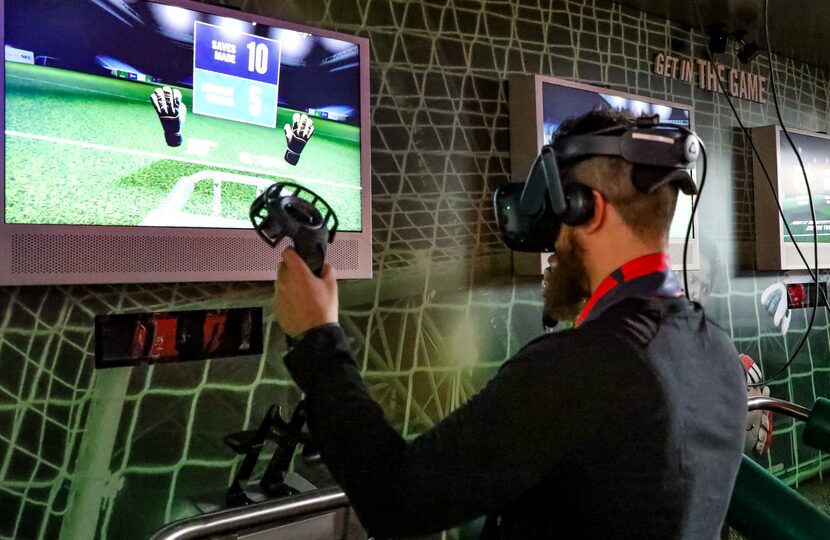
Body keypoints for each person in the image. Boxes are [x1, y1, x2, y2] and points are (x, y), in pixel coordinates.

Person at [274, 109, 747, 539]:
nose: (553, 242)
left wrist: (319, 337)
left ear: (589, 209)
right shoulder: (718, 351)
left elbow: (397, 499)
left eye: (557, 217)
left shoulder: (585, 368)